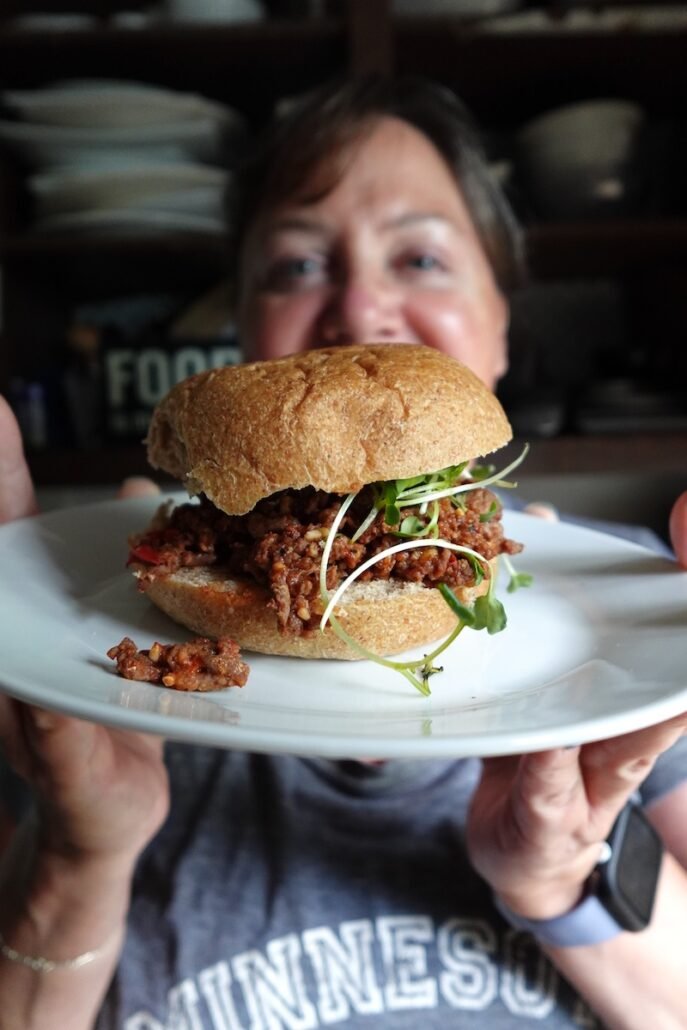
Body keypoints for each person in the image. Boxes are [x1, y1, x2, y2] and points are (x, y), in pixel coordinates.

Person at [1, 75, 686, 1030]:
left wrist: (563, 882)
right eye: (294, 267)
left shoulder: (632, 610)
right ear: (240, 324)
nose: (361, 308)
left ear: (500, 315)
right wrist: (82, 853)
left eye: (421, 257)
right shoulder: (95, 653)